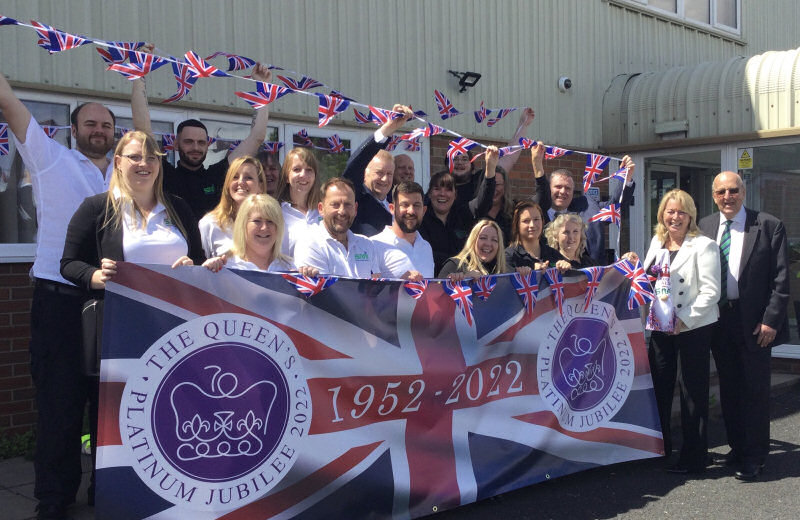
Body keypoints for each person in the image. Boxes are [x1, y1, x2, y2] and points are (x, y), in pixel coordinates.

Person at [0, 71, 115, 519]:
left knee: (108, 406)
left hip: (111, 303)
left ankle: (104, 490)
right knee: (59, 406)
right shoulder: (50, 159)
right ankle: (54, 497)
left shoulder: (126, 178)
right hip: (60, 301)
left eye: (106, 125)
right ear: (74, 130)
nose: (98, 131)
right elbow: (10, 105)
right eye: (90, 124)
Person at [699, 171, 789, 481]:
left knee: (754, 391)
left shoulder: (768, 225)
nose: (728, 197)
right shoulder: (705, 227)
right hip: (719, 321)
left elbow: (781, 280)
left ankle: (755, 455)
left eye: (733, 190)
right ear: (714, 195)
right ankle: (737, 447)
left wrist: (770, 321)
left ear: (744, 192)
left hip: (755, 324)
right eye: (721, 191)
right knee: (730, 389)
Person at [623, 189, 720, 474]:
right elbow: (649, 281)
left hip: (693, 328)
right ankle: (661, 447)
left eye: (681, 211)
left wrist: (685, 320)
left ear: (691, 215)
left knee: (692, 390)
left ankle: (695, 455)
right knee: (660, 388)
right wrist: (634, 263)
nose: (675, 217)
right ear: (661, 215)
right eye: (670, 211)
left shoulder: (704, 246)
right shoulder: (657, 241)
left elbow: (711, 292)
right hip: (661, 328)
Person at [60, 130, 206, 289]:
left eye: (151, 157)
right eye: (135, 157)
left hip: (175, 308)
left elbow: (198, 258)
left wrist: (192, 268)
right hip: (124, 309)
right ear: (117, 162)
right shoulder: (96, 207)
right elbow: (69, 264)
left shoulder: (178, 207)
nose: (144, 163)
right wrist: (99, 277)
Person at [131, 58, 273, 217]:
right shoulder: (165, 173)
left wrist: (263, 86)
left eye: (201, 142)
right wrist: (139, 75)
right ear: (176, 144)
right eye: (188, 142)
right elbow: (143, 130)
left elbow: (257, 137)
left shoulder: (217, 175)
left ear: (207, 145)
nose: (195, 148)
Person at [533, 148, 636, 263]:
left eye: (568, 188)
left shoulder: (587, 206)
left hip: (591, 274)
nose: (562, 191)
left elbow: (616, 206)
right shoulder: (536, 212)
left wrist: (626, 178)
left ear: (573, 192)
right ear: (548, 188)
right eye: (558, 187)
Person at [420, 146, 499, 274]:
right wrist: (457, 264)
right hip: (433, 284)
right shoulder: (421, 220)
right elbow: (424, 255)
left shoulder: (462, 214)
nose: (442, 194)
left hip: (463, 282)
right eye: (437, 189)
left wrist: (490, 169)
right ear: (429, 194)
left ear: (455, 195)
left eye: (448, 189)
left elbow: (483, 203)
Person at [344, 104, 414, 236]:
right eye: (379, 173)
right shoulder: (356, 199)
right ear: (365, 173)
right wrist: (388, 129)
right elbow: (355, 165)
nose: (385, 179)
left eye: (389, 174)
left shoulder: (397, 204)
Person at [295, 178, 381, 278]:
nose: (342, 211)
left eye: (348, 204)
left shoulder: (366, 244)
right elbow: (325, 290)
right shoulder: (309, 244)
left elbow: (375, 289)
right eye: (335, 205)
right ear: (321, 209)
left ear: (355, 209)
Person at [451, 108, 535, 211]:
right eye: (455, 159)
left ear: (471, 164)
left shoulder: (480, 179)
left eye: (464, 159)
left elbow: (509, 157)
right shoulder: (441, 186)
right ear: (447, 163)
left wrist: (523, 124)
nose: (459, 162)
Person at [198, 156, 266, 258]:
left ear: (260, 186)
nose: (241, 182)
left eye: (248, 177)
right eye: (235, 177)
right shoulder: (209, 224)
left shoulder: (271, 223)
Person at [371, 181, 434, 280]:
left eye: (416, 205)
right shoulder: (373, 245)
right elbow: (366, 292)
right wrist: (399, 284)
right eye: (405, 205)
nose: (411, 211)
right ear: (391, 208)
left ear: (424, 210)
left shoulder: (426, 247)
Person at [225, 194, 294, 272]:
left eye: (270, 221)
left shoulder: (290, 268)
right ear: (243, 225)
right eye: (257, 221)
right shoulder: (227, 267)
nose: (264, 227)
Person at [275, 147, 322, 257]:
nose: (303, 175)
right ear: (287, 177)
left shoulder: (322, 212)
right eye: (297, 169)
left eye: (309, 170)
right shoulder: (277, 212)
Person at [438, 219, 507, 280]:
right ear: (473, 241)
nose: (488, 244)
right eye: (483, 238)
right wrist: (464, 281)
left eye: (494, 240)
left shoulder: (504, 273)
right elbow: (435, 293)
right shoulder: (455, 266)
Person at [504, 200, 561, 271]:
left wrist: (566, 269)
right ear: (517, 225)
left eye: (536, 219)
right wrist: (532, 271)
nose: (532, 225)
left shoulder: (553, 254)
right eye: (526, 221)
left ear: (542, 222)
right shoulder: (509, 256)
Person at [486, 167, 513, 242]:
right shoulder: (475, 211)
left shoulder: (515, 210)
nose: (493, 189)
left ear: (505, 186)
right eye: (490, 184)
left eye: (497, 184)